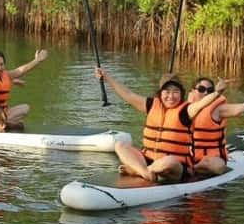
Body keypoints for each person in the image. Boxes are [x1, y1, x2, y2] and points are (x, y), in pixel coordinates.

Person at [96, 67, 226, 183]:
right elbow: (128, 94)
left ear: (182, 93)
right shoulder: (152, 104)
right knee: (120, 145)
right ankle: (146, 173)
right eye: (166, 92)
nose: (171, 96)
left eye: (175, 91)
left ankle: (137, 170)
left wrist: (216, 93)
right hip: (148, 159)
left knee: (169, 161)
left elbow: (201, 104)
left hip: (175, 167)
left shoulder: (187, 110)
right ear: (160, 93)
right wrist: (107, 77)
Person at [187, 77, 244, 175]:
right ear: (193, 91)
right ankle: (188, 165)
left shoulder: (218, 109)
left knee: (218, 166)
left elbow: (241, 108)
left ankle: (194, 167)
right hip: (189, 155)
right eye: (201, 89)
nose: (205, 93)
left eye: (210, 91)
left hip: (211, 158)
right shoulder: (185, 107)